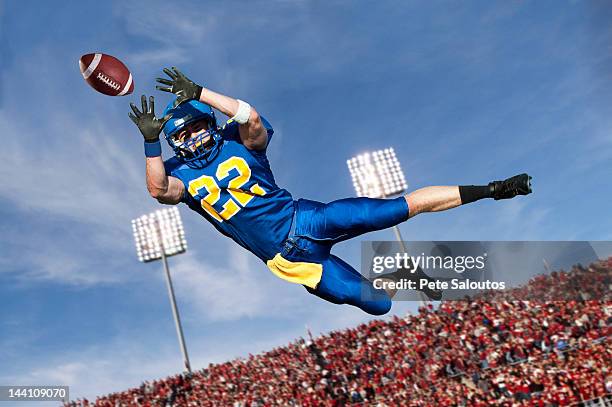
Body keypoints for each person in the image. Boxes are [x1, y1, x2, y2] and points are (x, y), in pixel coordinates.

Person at [128, 67, 532, 315]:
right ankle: (394, 278)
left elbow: (249, 117)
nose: (195, 137)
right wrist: (150, 144)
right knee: (379, 305)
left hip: (306, 218)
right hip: (288, 261)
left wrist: (201, 92)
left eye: (199, 126)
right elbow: (158, 190)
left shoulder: (236, 139)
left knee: (397, 208)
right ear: (174, 142)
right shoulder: (175, 170)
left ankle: (493, 188)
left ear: (210, 122)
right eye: (184, 133)